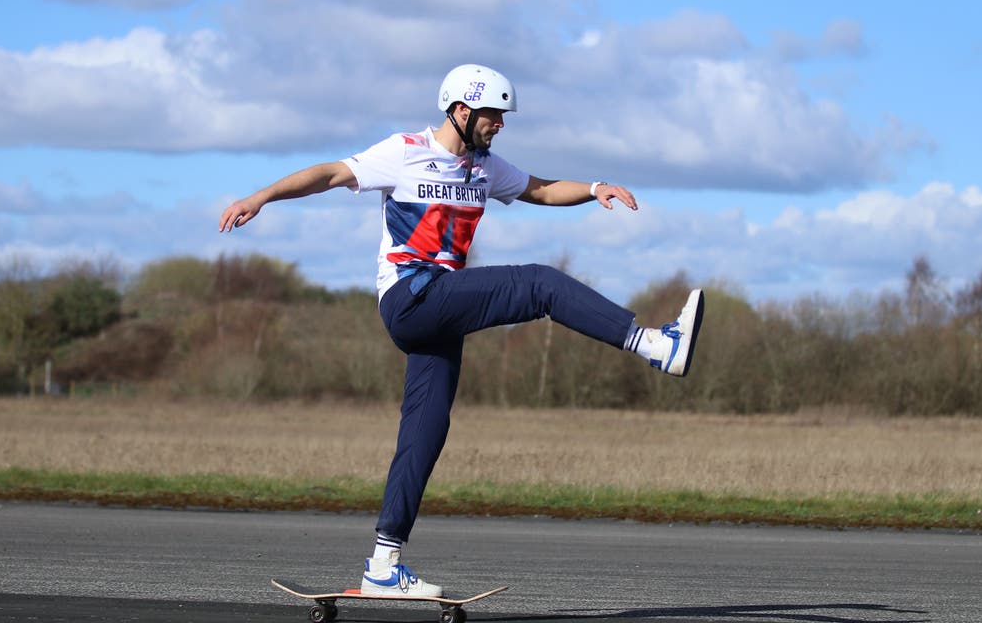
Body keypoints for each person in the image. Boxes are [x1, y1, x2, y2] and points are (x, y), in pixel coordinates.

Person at [218, 64, 703, 597]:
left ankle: (383, 564)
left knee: (425, 432)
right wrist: (258, 197)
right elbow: (330, 174)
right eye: (494, 116)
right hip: (411, 297)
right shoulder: (403, 151)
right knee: (539, 283)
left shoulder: (486, 168)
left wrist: (593, 188)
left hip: (440, 312)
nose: (500, 125)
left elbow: (539, 190)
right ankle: (653, 345)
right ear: (462, 112)